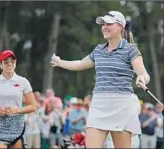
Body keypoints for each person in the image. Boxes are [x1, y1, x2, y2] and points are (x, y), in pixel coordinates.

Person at [51, 10, 150, 148]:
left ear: (120, 26)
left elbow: (144, 74)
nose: (104, 27)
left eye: (109, 23)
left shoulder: (130, 50)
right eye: (103, 24)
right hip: (99, 103)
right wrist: (61, 62)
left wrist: (141, 78)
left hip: (121, 105)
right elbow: (81, 63)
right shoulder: (98, 50)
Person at [0, 49, 36, 149]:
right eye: (6, 62)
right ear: (0, 64)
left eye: (12, 61)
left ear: (15, 63)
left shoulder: (23, 81)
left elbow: (33, 106)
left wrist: (17, 110)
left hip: (17, 126)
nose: (9, 64)